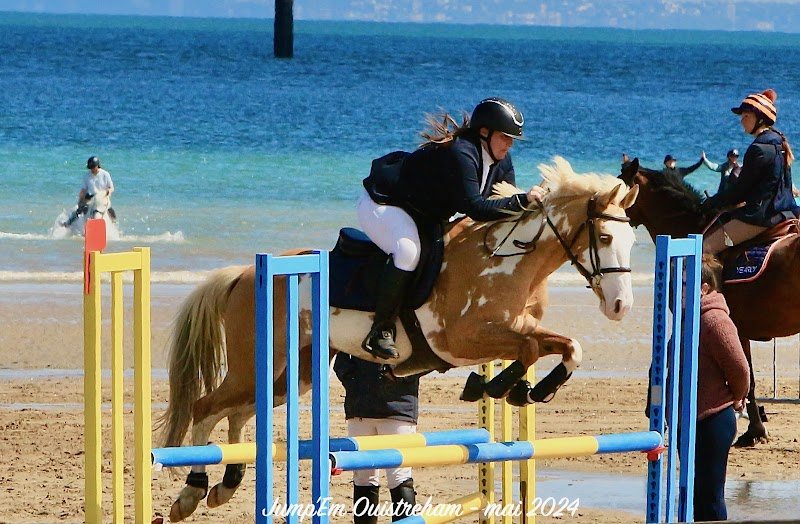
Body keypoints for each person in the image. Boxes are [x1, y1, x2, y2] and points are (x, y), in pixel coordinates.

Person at [359, 97, 546, 359]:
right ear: (484, 132)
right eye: (504, 137)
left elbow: (499, 207)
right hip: (386, 203)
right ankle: (380, 329)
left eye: (511, 138)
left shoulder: (502, 161)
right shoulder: (461, 154)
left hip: (425, 213)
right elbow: (477, 209)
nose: (510, 144)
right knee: (408, 251)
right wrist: (522, 199)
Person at [702, 89, 799, 254]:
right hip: (789, 213)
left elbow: (741, 192)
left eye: (746, 116)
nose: (742, 121)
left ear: (760, 119)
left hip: (763, 217)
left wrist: (711, 202)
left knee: (702, 250)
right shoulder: (779, 144)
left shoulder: (758, 149)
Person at [694, 254, 750, 521]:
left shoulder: (715, 320)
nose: (676, 292)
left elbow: (740, 369)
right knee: (696, 494)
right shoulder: (689, 319)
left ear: (705, 288)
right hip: (695, 419)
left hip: (714, 418)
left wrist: (738, 397)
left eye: (684, 285)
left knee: (710, 496)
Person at [333, 353, 421, 523]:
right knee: (363, 477)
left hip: (397, 409)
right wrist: (352, 381)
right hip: (361, 408)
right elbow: (341, 353)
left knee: (399, 476)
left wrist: (398, 376)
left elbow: (425, 359)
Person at [63, 156, 115, 226]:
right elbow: (83, 190)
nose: (92, 169)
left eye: (93, 167)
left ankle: (114, 224)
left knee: (110, 211)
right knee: (80, 210)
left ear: (97, 166)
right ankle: (68, 223)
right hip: (90, 198)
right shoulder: (87, 176)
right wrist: (80, 200)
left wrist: (109, 191)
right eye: (90, 168)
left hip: (103, 198)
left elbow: (111, 188)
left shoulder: (105, 174)